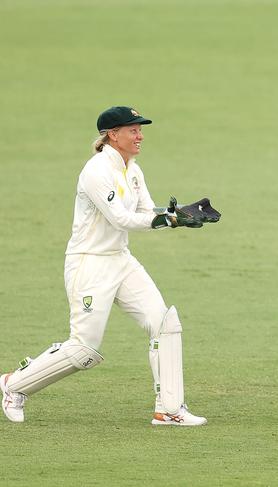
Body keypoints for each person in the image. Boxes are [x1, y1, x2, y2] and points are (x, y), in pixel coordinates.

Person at [1, 106, 210, 426]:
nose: (140, 135)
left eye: (140, 130)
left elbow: (144, 209)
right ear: (113, 135)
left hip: (120, 259)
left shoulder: (133, 169)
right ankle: (12, 386)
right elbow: (122, 218)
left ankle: (169, 410)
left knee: (164, 323)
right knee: (84, 349)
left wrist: (178, 213)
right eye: (133, 130)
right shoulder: (96, 171)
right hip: (89, 264)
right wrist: (168, 220)